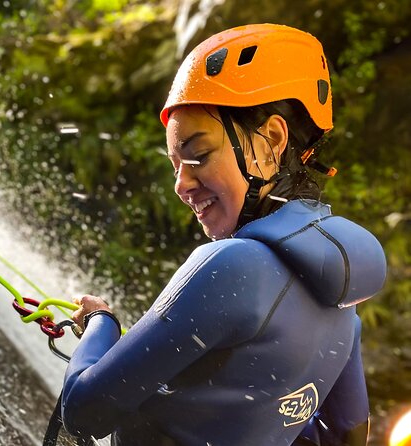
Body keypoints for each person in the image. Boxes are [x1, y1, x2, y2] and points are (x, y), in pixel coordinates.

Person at [59, 24, 387, 446]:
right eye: (175, 165)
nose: (181, 184)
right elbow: (347, 433)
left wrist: (100, 323)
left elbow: (84, 410)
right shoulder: (344, 304)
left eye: (197, 155)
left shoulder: (229, 266)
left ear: (271, 139)